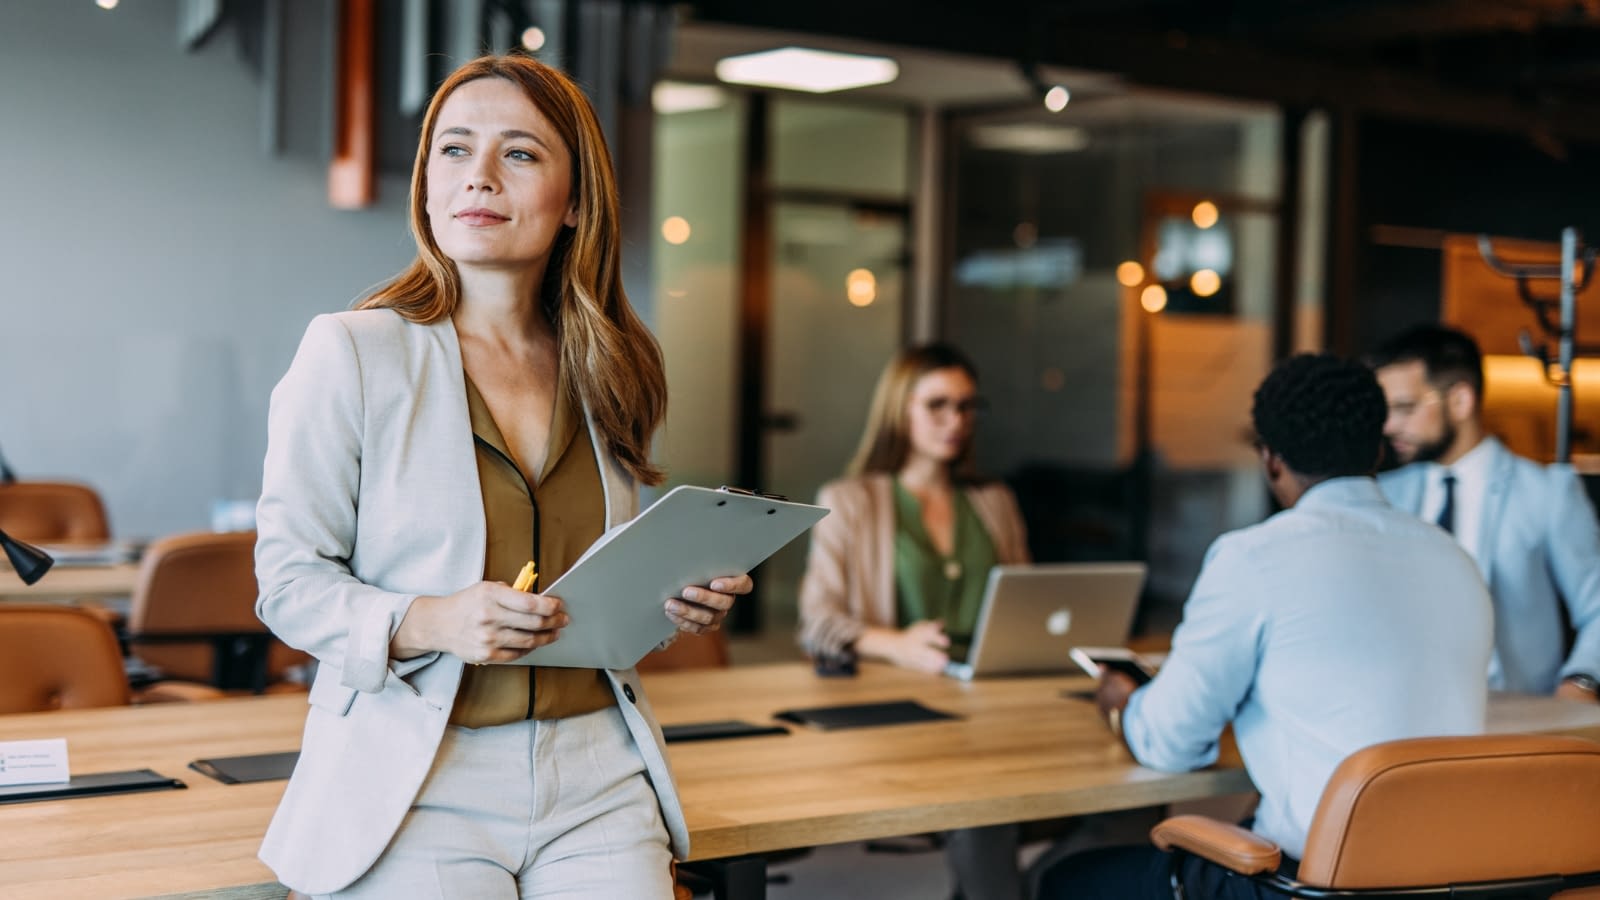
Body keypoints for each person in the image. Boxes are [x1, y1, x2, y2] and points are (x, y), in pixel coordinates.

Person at [253, 54, 751, 899]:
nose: (478, 176)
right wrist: (432, 619)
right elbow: (287, 584)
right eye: (453, 150)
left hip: (597, 771)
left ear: (576, 202)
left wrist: (673, 600)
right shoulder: (352, 351)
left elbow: (599, 598)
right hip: (418, 779)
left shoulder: (611, 364)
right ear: (426, 186)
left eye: (518, 153)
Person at [1039, 353, 1492, 899]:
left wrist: (1124, 705)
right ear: (1377, 448)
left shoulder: (1253, 559)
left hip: (1314, 888)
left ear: (1271, 459)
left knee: (1065, 881)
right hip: (1453, 882)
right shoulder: (1456, 561)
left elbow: (1171, 744)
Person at [797, 343, 1029, 900]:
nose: (956, 422)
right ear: (901, 410)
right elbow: (816, 622)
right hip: (903, 709)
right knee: (985, 794)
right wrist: (895, 644)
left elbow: (1024, 603)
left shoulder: (994, 501)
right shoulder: (850, 501)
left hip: (993, 699)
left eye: (968, 407)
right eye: (938, 405)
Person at [1370, 324, 1600, 701]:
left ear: (1460, 400)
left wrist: (1581, 683)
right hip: (1406, 720)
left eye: (1405, 408)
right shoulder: (1382, 495)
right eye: (1386, 411)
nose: (1389, 426)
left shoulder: (1547, 493)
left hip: (1516, 725)